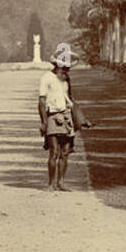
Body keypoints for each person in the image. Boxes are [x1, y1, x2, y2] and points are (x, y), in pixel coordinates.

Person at [38, 47, 84, 191]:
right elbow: (41, 101)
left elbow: (70, 98)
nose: (68, 69)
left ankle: (61, 182)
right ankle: (51, 183)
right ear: (58, 65)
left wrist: (80, 118)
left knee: (65, 152)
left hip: (67, 116)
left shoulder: (66, 79)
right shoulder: (46, 78)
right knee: (54, 151)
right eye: (65, 66)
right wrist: (44, 122)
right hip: (53, 116)